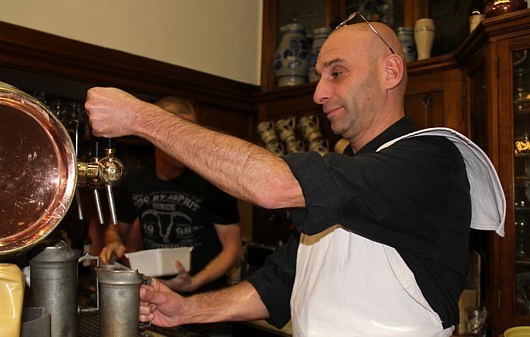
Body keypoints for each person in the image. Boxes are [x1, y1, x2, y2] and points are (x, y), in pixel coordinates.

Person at [85, 16, 505, 337]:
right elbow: (277, 284)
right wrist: (186, 309)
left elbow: (273, 186)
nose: (319, 93)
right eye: (319, 76)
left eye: (336, 72)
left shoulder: (431, 159)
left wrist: (143, 118)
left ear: (390, 72)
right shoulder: (349, 177)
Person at [97, 96, 243, 336]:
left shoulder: (213, 182)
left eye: (190, 134)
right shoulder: (135, 182)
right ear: (156, 134)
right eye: (177, 133)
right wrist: (113, 242)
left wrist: (196, 281)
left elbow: (232, 248)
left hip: (210, 309)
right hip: (156, 304)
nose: (185, 143)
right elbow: (115, 230)